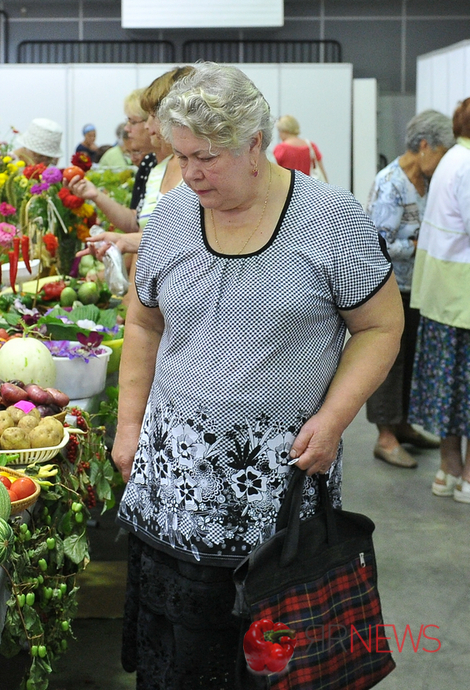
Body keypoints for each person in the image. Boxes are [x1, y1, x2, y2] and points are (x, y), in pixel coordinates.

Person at [114, 63, 403, 686]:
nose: (190, 174)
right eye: (182, 156)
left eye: (206, 158)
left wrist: (332, 421)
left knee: (272, 663)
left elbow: (380, 327)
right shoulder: (169, 218)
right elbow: (143, 325)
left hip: (282, 491)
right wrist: (128, 425)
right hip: (173, 488)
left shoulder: (331, 221)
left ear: (255, 144)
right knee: (182, 661)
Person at [365, 110, 454, 468]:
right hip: (391, 287)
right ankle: (385, 436)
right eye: (443, 151)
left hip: (419, 286)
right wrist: (418, 246)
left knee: (411, 358)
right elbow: (376, 243)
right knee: (389, 362)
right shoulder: (391, 183)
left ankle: (403, 424)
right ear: (423, 146)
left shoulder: (428, 182)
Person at [408, 97, 470, 502]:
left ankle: (449, 471)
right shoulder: (465, 164)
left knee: (449, 390)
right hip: (462, 296)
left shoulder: (451, 161)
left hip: (444, 294)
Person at [71, 68, 193, 260]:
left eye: (152, 116)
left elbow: (191, 239)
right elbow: (141, 228)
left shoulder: (195, 171)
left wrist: (126, 242)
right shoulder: (157, 169)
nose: (144, 126)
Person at [273, 114, 327, 180]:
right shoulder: (311, 146)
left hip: (288, 188)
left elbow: (273, 172)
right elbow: (322, 171)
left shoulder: (281, 149)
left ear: (284, 131)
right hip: (308, 188)